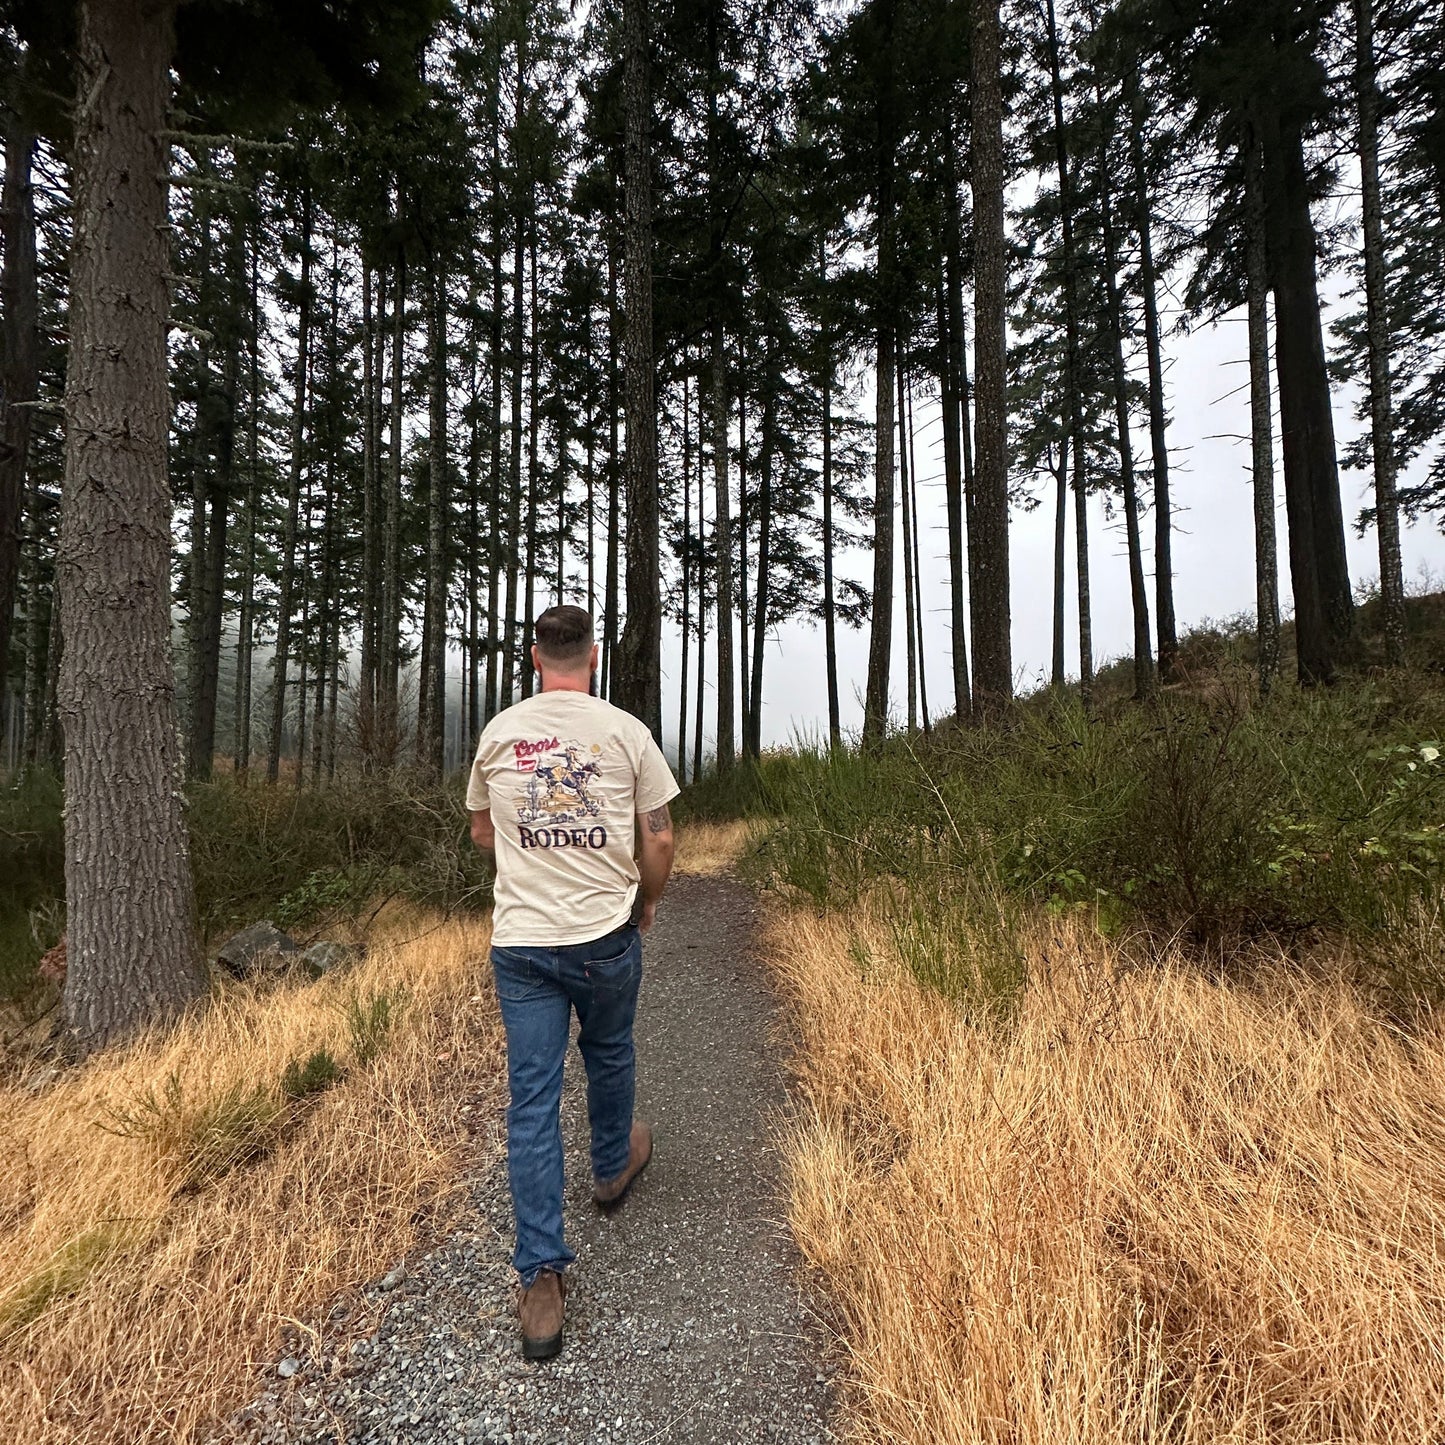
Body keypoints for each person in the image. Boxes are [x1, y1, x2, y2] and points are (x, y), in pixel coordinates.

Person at [466, 604, 679, 1360]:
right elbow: (658, 834)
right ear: (593, 657)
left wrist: (534, 861)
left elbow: (483, 831)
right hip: (604, 934)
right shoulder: (625, 733)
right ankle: (612, 1164)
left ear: (533, 656)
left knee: (531, 1096)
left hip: (522, 942)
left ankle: (542, 1280)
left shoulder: (498, 734)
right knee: (610, 1046)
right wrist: (647, 898)